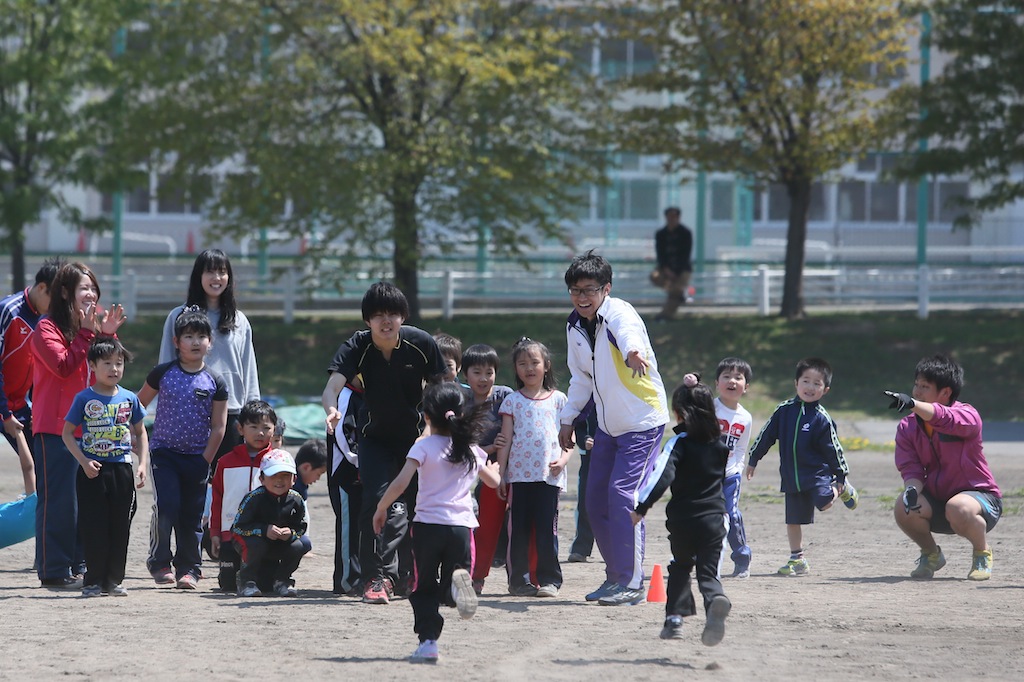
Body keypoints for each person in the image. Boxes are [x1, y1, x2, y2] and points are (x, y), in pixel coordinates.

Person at [321, 281, 447, 604]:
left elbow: (444, 388)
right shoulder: (358, 346)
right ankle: (375, 578)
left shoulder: (421, 343)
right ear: (368, 321)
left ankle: (414, 575)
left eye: (392, 313)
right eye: (378, 315)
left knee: (420, 507)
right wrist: (332, 410)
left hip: (416, 439)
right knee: (374, 504)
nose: (386, 321)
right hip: (374, 440)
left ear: (403, 316)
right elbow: (331, 387)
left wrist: (438, 426)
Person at [558, 251, 669, 606]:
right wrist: (568, 418)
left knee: (623, 495)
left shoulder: (620, 313)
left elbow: (628, 333)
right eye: (576, 290)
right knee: (594, 500)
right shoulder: (574, 325)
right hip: (607, 426)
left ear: (606, 289)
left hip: (642, 421)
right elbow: (581, 378)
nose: (582, 297)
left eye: (590, 289)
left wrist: (633, 351)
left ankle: (633, 582)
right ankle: (615, 576)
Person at [371, 381, 501, 664]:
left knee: (423, 587)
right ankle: (455, 589)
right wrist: (493, 469)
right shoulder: (470, 449)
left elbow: (401, 483)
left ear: (427, 417)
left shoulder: (424, 446)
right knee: (456, 577)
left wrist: (381, 507)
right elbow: (494, 482)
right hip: (461, 527)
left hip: (428, 527)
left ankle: (428, 642)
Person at [31, 261, 126, 589]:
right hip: (54, 429)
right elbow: (62, 367)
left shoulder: (93, 328)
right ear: (64, 293)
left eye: (93, 289)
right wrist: (88, 332)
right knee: (59, 502)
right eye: (84, 288)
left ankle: (82, 565)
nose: (91, 294)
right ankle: (54, 570)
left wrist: (108, 335)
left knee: (90, 500)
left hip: (93, 430)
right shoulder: (45, 328)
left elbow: (110, 368)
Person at [631, 373, 731, 645]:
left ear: (678, 413)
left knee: (681, 566)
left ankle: (674, 618)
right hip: (714, 518)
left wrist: (641, 506)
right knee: (708, 573)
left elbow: (661, 475)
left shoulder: (679, 443)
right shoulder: (721, 445)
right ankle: (715, 601)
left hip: (684, 520)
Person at [885, 354, 1002, 581]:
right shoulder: (907, 427)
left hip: (980, 501)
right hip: (939, 502)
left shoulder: (967, 416)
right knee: (903, 506)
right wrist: (911, 489)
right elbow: (911, 467)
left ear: (945, 393)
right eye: (916, 385)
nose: (917, 391)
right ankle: (931, 554)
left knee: (958, 507)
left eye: (925, 387)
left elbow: (944, 418)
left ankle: (981, 552)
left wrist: (912, 404)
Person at [139, 307, 228, 589]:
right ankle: (159, 561)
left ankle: (189, 568)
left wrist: (205, 459)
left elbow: (219, 426)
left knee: (192, 515)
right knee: (167, 507)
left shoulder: (216, 381)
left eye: (201, 336)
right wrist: (136, 441)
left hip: (197, 458)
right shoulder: (162, 373)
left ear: (210, 342)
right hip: (164, 454)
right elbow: (136, 406)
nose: (195, 342)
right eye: (188, 336)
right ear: (176, 342)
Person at [746, 357, 857, 576]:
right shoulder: (783, 411)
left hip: (817, 474)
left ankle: (842, 489)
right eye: (806, 381)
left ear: (825, 390)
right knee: (793, 520)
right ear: (796, 383)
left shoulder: (822, 419)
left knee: (825, 503)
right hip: (791, 476)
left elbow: (834, 449)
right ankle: (797, 559)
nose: (810, 387)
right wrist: (753, 458)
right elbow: (766, 435)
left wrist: (841, 476)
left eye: (817, 384)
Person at [61, 337, 148, 597]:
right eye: (107, 363)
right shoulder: (83, 398)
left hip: (122, 469)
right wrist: (84, 461)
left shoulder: (129, 398)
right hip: (92, 471)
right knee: (93, 526)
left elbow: (141, 433)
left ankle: (114, 580)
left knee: (120, 526)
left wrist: (142, 463)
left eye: (119, 363)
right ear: (92, 366)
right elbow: (67, 434)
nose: (114, 369)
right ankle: (93, 581)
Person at [159, 249, 259, 467]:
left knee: (227, 484)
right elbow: (165, 367)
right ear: (198, 276)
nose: (217, 278)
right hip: (189, 411)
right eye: (210, 272)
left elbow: (248, 368)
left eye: (222, 272)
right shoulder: (178, 316)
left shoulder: (239, 320)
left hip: (231, 412)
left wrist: (253, 411)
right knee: (193, 484)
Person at [497, 337, 571, 598]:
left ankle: (550, 580)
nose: (529, 368)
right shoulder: (512, 401)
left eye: (535, 362)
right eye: (522, 363)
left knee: (546, 530)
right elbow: (505, 441)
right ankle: (519, 581)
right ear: (516, 369)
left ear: (547, 365)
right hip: (518, 477)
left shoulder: (560, 400)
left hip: (549, 478)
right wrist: (501, 474)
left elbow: (567, 441)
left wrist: (562, 461)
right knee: (518, 532)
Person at [1, 256, 63, 495]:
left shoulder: (47, 319)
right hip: (3, 406)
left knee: (43, 463)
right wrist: (4, 413)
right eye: (54, 298)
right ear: (41, 288)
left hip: (18, 407)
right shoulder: (8, 310)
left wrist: (38, 408)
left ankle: (37, 517)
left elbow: (42, 369)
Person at [462, 343, 514, 595]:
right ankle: (476, 575)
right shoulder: (461, 401)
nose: (484, 378)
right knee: (477, 525)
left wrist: (498, 455)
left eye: (489, 372)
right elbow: (461, 442)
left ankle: (518, 577)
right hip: (471, 469)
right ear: (465, 374)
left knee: (508, 525)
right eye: (476, 372)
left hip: (504, 468)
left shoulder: (504, 396)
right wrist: (490, 447)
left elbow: (510, 435)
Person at [209, 399, 276, 592]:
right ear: (240, 429)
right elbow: (218, 500)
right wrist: (215, 533)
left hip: (264, 536)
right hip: (231, 534)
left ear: (274, 430)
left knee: (266, 586)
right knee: (228, 586)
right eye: (253, 427)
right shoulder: (225, 462)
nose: (260, 433)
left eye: (266, 427)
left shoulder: (277, 462)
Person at [232, 449, 310, 597]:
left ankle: (282, 580)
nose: (279, 480)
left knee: (301, 544)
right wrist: (263, 530)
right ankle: (246, 581)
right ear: (261, 478)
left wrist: (290, 534)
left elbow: (301, 527)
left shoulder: (296, 500)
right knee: (256, 544)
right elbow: (237, 528)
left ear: (294, 479)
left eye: (285, 476)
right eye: (273, 475)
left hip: (280, 543)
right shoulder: (253, 498)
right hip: (253, 543)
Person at [714, 357, 754, 578]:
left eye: (738, 378)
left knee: (731, 514)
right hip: (706, 475)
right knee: (704, 517)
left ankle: (741, 556)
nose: (732, 381)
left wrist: (736, 469)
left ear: (746, 387)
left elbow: (740, 448)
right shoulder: (710, 408)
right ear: (717, 383)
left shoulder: (745, 418)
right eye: (726, 376)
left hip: (730, 475)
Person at [328, 380, 364, 596]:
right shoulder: (346, 395)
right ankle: (348, 579)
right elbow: (341, 432)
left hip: (364, 472)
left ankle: (362, 575)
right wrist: (359, 460)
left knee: (363, 526)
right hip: (346, 474)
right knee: (349, 527)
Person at [567, 400, 598, 564]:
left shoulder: (617, 393)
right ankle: (581, 548)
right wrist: (584, 439)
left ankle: (617, 549)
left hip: (615, 455)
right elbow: (579, 425)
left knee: (616, 504)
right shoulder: (586, 397)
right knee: (585, 503)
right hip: (590, 459)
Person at [651, 206, 693, 321]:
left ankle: (665, 315)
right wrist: (666, 269)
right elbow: (660, 254)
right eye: (670, 216)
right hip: (665, 269)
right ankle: (679, 295)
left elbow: (685, 255)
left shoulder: (685, 233)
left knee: (676, 289)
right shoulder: (661, 234)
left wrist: (676, 272)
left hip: (682, 269)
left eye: (675, 217)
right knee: (655, 277)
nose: (672, 219)